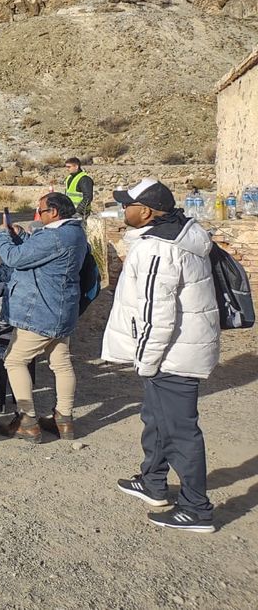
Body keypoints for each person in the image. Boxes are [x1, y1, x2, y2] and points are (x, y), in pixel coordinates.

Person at [101, 179, 220, 532]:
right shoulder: (181, 234)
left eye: (128, 205)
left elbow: (157, 313)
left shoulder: (159, 249)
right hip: (178, 350)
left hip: (173, 355)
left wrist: (146, 360)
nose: (123, 211)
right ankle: (152, 481)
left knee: (180, 431)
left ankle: (196, 508)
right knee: (156, 419)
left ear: (147, 212)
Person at [0, 192, 88, 442]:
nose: (38, 214)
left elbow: (15, 258)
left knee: (14, 360)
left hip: (40, 311)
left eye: (41, 210)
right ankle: (63, 419)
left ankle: (27, 419)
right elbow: (40, 253)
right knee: (61, 363)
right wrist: (22, 236)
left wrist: (3, 236)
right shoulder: (74, 232)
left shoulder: (54, 236)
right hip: (61, 310)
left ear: (54, 212)